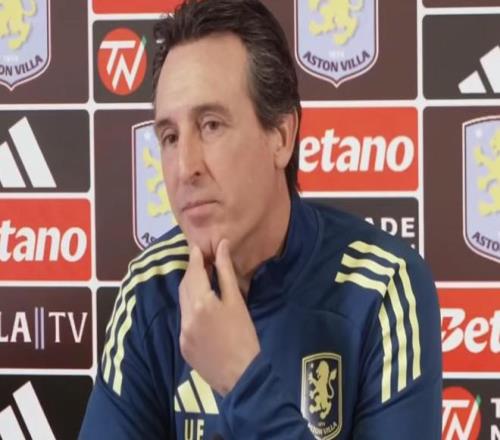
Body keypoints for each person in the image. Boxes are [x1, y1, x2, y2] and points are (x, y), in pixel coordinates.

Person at [79, 0, 442, 438]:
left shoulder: (384, 287)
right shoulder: (150, 288)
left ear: (281, 137)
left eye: (211, 125)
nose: (185, 167)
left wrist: (242, 379)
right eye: (170, 137)